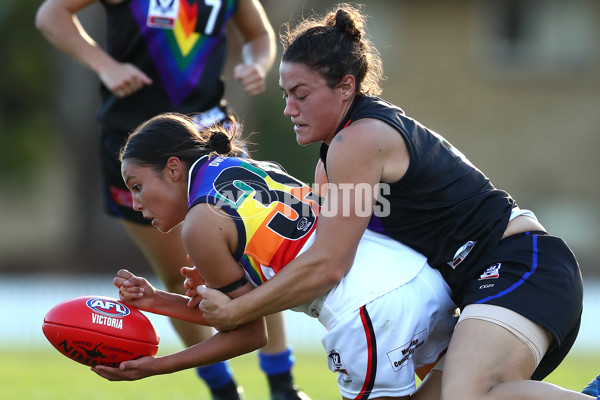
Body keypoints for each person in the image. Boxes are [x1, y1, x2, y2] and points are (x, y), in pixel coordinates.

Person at [192, 3, 594, 400]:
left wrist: (238, 311)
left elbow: (329, 265)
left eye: (301, 94)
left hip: (521, 270)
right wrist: (210, 294)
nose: (288, 109)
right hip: (483, 289)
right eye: (285, 95)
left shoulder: (358, 141)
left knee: (467, 396)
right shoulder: (331, 162)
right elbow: (309, 260)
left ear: (346, 86)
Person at [34, 1, 306, 399]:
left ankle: (282, 383)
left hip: (208, 137)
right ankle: (223, 388)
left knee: (259, 257)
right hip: (136, 150)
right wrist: (104, 65)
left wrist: (255, 62)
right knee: (180, 273)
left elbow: (259, 35)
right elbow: (50, 14)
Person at [90, 112, 458, 400]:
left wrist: (158, 366)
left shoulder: (200, 224)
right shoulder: (247, 167)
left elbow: (248, 334)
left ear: (172, 168)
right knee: (465, 388)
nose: (135, 204)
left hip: (370, 311)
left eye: (138, 186)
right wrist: (156, 300)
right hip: (418, 278)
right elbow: (246, 306)